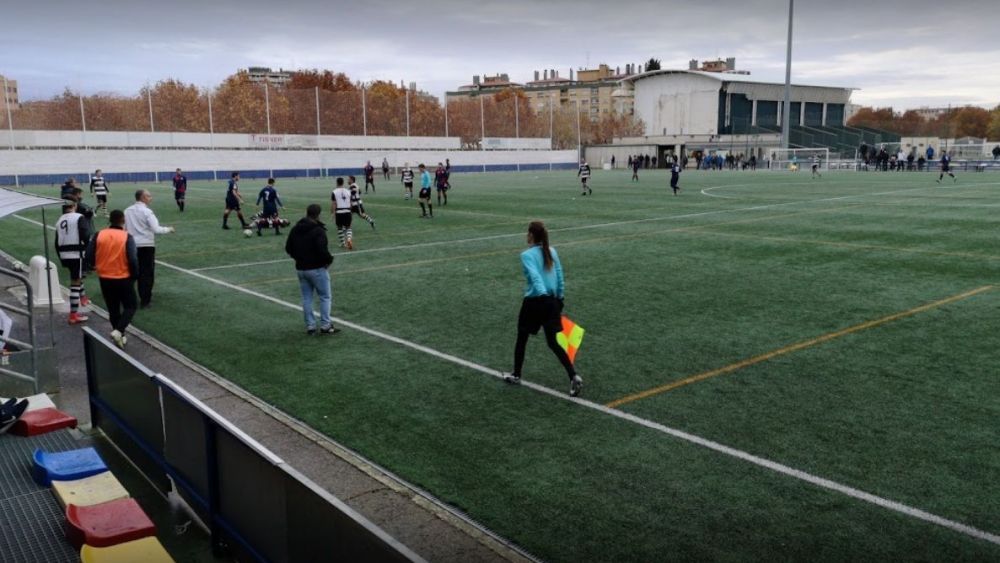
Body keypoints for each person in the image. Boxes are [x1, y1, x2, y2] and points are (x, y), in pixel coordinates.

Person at [502, 221, 582, 397]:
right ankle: (573, 375)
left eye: (527, 232)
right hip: (552, 301)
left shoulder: (527, 255)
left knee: (522, 337)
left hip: (536, 302)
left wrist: (543, 295)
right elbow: (560, 275)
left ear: (531, 235)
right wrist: (559, 297)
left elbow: (535, 276)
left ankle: (516, 374)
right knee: (553, 343)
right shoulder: (551, 251)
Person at [85, 210, 139, 349]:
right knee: (131, 305)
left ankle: (120, 335)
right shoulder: (126, 236)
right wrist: (135, 274)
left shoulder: (99, 234)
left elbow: (89, 254)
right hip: (123, 276)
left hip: (105, 277)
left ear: (110, 220)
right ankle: (119, 331)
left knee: (113, 308)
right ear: (123, 220)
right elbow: (132, 258)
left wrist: (92, 265)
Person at [285, 204, 339, 335]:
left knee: (306, 298)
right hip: (317, 269)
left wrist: (298, 258)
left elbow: (288, 248)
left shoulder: (295, 228)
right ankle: (326, 325)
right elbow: (322, 250)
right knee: (325, 297)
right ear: (318, 215)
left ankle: (310, 326)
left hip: (301, 269)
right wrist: (329, 260)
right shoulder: (318, 230)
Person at [124, 189, 175, 309]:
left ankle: (127, 299)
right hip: (146, 246)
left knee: (130, 273)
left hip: (130, 245)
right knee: (146, 274)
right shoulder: (147, 212)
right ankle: (145, 300)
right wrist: (169, 229)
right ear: (143, 198)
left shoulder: (127, 211)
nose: (151, 198)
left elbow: (123, 228)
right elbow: (156, 229)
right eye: (149, 196)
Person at [55, 201, 92, 324]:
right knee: (75, 282)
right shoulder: (79, 217)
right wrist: (89, 250)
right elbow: (85, 235)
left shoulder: (59, 220)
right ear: (74, 206)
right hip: (76, 253)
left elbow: (56, 242)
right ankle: (73, 315)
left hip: (65, 254)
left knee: (77, 277)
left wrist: (61, 257)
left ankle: (83, 298)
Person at [330, 177, 354, 250]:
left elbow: (334, 203)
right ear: (343, 183)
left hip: (339, 212)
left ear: (337, 183)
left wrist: (333, 213)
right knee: (348, 227)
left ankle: (343, 243)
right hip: (347, 211)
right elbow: (350, 203)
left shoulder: (334, 192)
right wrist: (350, 211)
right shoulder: (348, 191)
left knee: (339, 227)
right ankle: (349, 239)